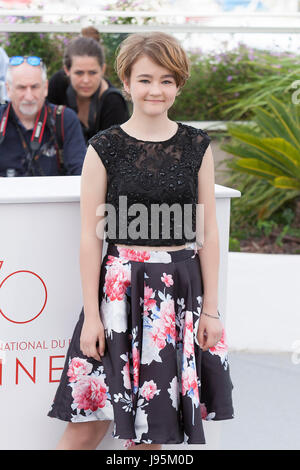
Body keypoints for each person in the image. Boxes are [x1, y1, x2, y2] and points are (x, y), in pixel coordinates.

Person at [47, 32, 234, 450]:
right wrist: (92, 316)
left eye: (168, 80)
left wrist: (212, 311)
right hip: (118, 294)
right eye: (146, 79)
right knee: (87, 421)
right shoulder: (104, 148)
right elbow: (89, 237)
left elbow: (208, 233)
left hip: (179, 295)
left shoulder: (196, 146)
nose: (157, 90)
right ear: (126, 83)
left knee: (157, 432)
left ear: (179, 86)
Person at [0, 56, 86, 177]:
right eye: (22, 88)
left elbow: (80, 176)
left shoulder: (64, 119)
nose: (29, 96)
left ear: (45, 88)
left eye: (34, 87)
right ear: (8, 89)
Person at [47, 36, 129, 143]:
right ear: (67, 70)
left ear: (102, 70)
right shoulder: (58, 84)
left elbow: (116, 151)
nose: (86, 80)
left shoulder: (113, 102)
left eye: (92, 73)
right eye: (79, 73)